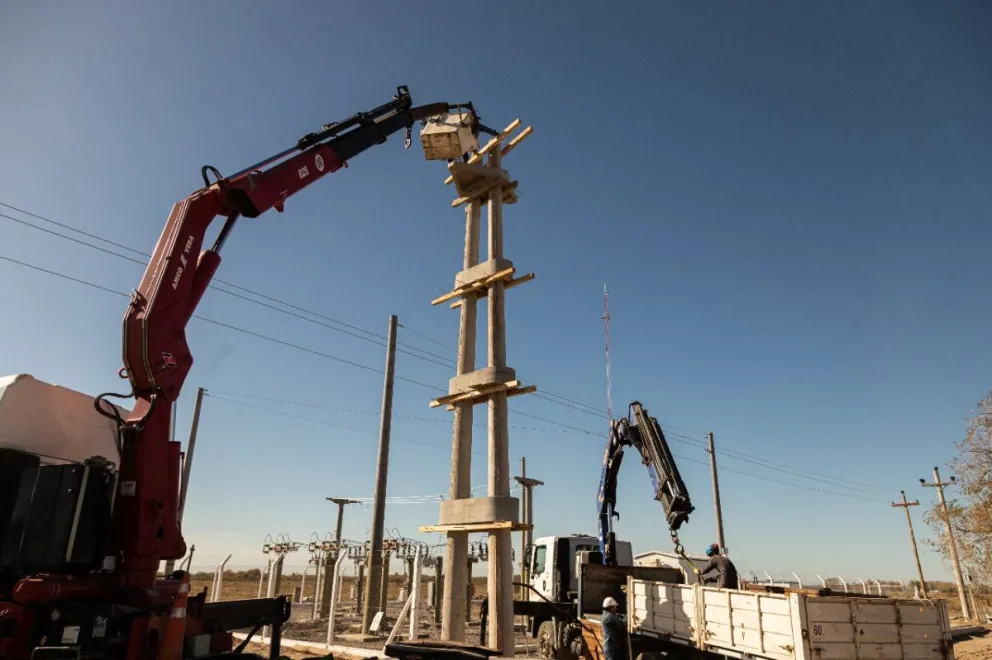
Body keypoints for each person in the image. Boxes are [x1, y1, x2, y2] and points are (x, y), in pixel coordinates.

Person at [601, 596, 628, 660]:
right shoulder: (609, 617)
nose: (616, 608)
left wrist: (621, 615)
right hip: (611, 648)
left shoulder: (606, 615)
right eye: (615, 607)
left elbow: (617, 616)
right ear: (611, 607)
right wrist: (628, 616)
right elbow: (623, 622)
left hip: (610, 647)